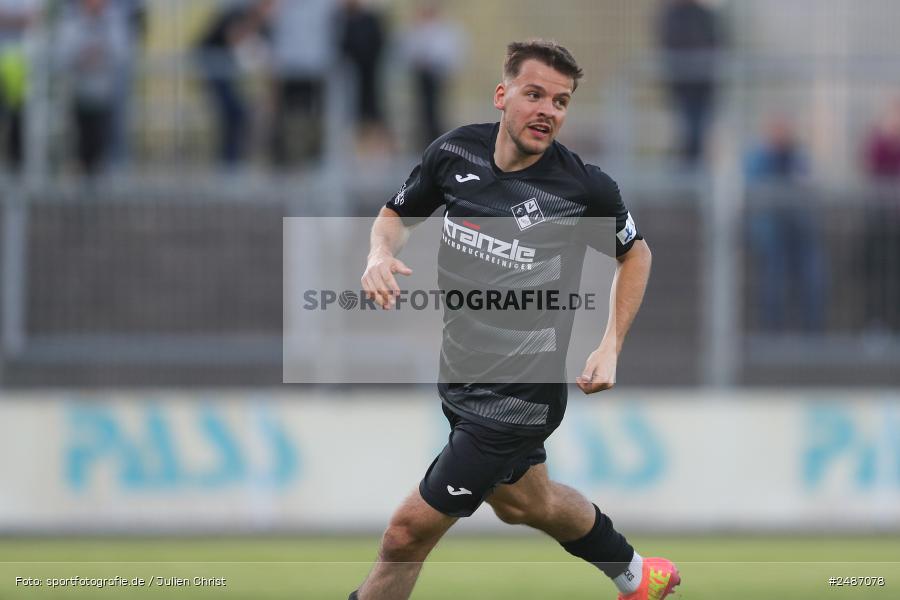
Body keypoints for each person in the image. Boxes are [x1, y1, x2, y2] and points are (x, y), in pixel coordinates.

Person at [352, 40, 678, 600]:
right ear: (503, 96)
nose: (548, 109)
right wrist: (379, 255)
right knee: (529, 504)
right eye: (535, 94)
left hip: (517, 399)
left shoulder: (581, 187)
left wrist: (610, 345)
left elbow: (636, 254)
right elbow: (393, 216)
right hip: (461, 377)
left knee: (405, 535)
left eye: (561, 101)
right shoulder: (455, 154)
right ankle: (636, 576)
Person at [745, 115, 827, 332]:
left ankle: (812, 330)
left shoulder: (798, 157)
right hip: (771, 230)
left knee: (814, 272)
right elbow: (754, 192)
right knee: (774, 274)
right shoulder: (758, 159)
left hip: (799, 230)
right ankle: (773, 329)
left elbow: (810, 186)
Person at [195, 0, 275, 168]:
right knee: (234, 114)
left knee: (238, 115)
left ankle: (232, 162)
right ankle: (229, 164)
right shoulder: (239, 14)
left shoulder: (264, 26)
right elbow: (235, 40)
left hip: (228, 72)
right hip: (213, 65)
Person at [57, 0, 129, 175]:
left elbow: (121, 53)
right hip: (80, 92)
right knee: (82, 140)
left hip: (106, 93)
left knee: (105, 140)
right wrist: (84, 56)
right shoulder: (73, 22)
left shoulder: (113, 21)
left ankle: (106, 178)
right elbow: (63, 55)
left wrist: (99, 55)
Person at [656, 0, 721, 167]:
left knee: (698, 134)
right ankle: (683, 174)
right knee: (685, 134)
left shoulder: (704, 14)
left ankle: (692, 173)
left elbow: (715, 42)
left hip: (703, 87)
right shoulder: (670, 15)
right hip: (682, 88)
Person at [401, 1, 464, 149]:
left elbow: (449, 55)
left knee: (437, 112)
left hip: (437, 78)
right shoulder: (415, 31)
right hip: (420, 79)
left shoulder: (445, 31)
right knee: (421, 113)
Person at [861, 99, 900, 331]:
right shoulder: (878, 142)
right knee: (879, 276)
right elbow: (874, 171)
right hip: (881, 221)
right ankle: (877, 325)